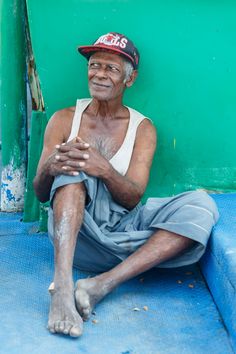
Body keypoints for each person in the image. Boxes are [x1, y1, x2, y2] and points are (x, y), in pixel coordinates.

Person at [33, 32, 219, 338]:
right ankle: (63, 287)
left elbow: (133, 198)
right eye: (95, 65)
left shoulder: (142, 128)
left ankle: (100, 285)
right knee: (71, 168)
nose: (100, 74)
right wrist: (50, 168)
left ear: (129, 80)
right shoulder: (64, 119)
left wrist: (104, 169)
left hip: (123, 232)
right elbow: (41, 192)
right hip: (77, 239)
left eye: (111, 69)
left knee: (201, 206)